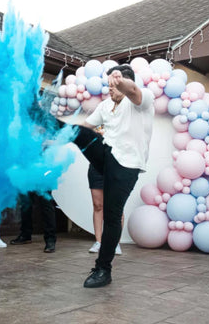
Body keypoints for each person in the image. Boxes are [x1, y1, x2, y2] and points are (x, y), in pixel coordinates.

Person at [59, 64, 154, 288]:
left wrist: (120, 80)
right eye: (109, 83)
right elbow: (86, 126)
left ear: (125, 82)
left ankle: (103, 269)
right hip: (107, 156)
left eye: (114, 84)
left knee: (112, 216)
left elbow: (133, 91)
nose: (110, 88)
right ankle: (41, 123)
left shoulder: (142, 100)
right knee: (78, 132)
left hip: (127, 166)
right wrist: (60, 136)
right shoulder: (106, 105)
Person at [87, 164, 122, 256]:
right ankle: (98, 242)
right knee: (97, 205)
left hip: (117, 167)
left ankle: (115, 244)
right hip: (97, 168)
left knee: (116, 207)